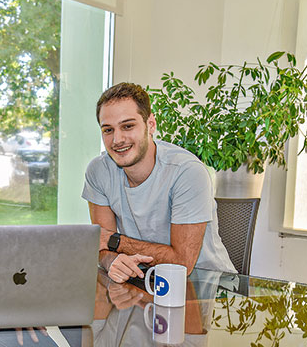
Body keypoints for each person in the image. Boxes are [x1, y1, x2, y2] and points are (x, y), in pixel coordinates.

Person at [82, 82, 235, 284]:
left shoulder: (187, 171)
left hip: (209, 286)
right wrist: (111, 260)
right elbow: (103, 245)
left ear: (151, 124)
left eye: (128, 126)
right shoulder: (98, 171)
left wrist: (116, 242)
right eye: (108, 130)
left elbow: (182, 263)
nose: (117, 139)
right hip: (146, 281)